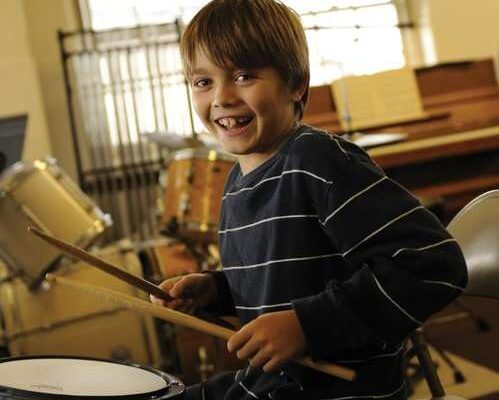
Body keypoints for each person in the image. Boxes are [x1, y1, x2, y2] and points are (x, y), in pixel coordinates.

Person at [151, 0, 468, 398]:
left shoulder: (317, 162)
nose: (222, 97)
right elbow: (293, 279)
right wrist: (218, 290)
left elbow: (435, 265)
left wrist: (307, 326)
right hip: (272, 384)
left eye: (244, 75)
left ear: (296, 83)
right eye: (203, 82)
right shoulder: (236, 184)